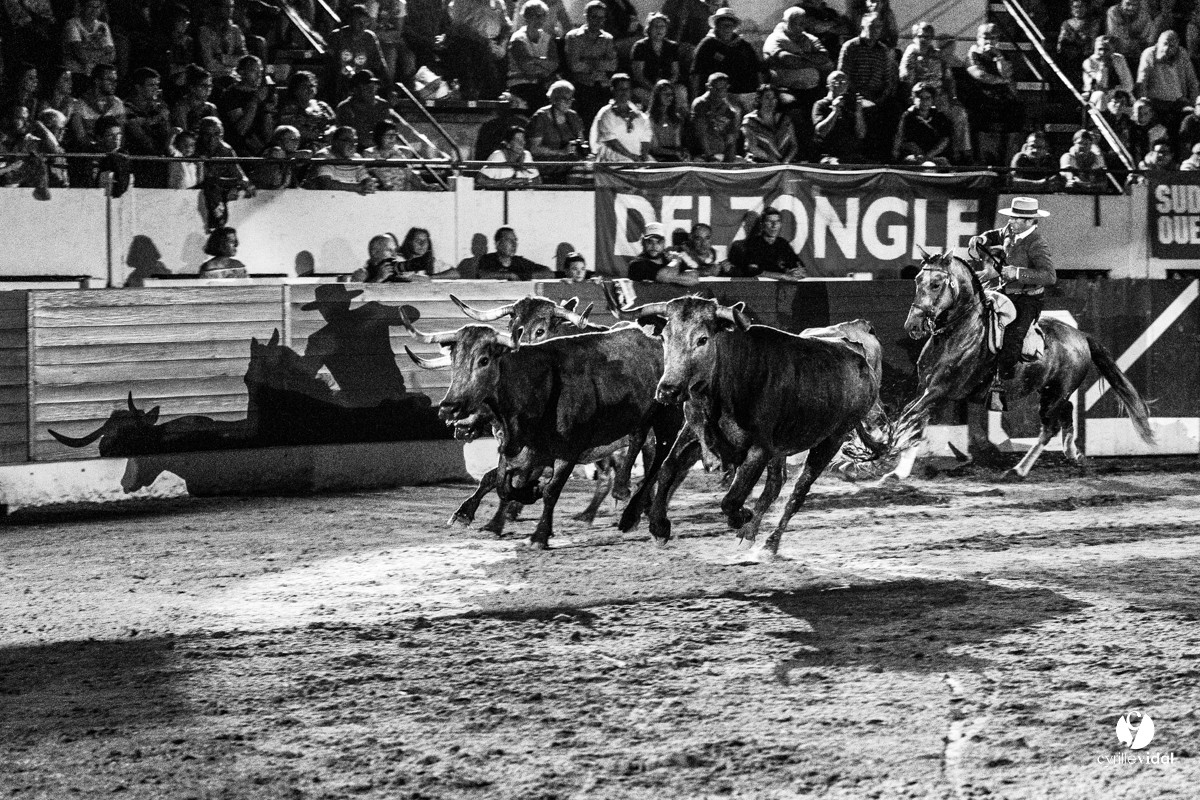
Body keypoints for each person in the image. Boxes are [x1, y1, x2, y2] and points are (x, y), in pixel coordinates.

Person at [968, 197, 1056, 411]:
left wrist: (1017, 273)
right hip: (1007, 293)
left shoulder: (1037, 243)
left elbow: (1049, 276)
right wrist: (981, 238)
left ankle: (1000, 388)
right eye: (1012, 217)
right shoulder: (1010, 230)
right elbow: (994, 234)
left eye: (1017, 218)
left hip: (1028, 299)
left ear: (1029, 221)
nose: (1011, 221)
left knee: (1012, 342)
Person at [901, 21, 971, 163]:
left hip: (940, 96)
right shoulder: (911, 54)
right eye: (921, 36)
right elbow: (905, 79)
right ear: (914, 37)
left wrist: (953, 97)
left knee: (959, 114)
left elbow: (949, 79)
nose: (924, 40)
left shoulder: (939, 56)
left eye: (928, 37)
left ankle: (961, 155)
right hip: (921, 96)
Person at [690, 7, 762, 110]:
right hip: (718, 95)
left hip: (746, 94)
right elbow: (696, 73)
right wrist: (695, 98)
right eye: (724, 26)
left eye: (730, 26)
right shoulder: (707, 45)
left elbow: (757, 70)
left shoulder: (744, 46)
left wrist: (760, 95)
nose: (728, 29)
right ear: (717, 26)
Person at [1136, 30, 1198, 147]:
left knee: (1190, 123)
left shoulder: (1182, 54)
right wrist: (1144, 103)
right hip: (1155, 103)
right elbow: (1142, 82)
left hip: (1179, 102)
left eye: (1171, 46)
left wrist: (1194, 105)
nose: (1167, 48)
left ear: (1177, 47)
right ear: (1158, 43)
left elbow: (1193, 81)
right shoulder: (1149, 54)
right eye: (1164, 44)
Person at [564, 0, 618, 123]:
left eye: (601, 18)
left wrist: (586, 60)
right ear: (586, 16)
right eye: (594, 17)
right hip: (581, 84)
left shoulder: (608, 39)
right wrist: (599, 62)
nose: (598, 21)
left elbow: (612, 65)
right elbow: (575, 66)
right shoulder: (574, 36)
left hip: (602, 84)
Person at [525, 80, 587, 182]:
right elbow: (534, 148)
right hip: (545, 161)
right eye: (564, 99)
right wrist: (561, 152)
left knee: (591, 166)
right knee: (579, 166)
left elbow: (581, 142)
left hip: (570, 160)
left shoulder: (573, 116)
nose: (568, 102)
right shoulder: (541, 117)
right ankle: (570, 194)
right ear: (554, 99)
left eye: (570, 98)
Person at [328, 4, 390, 100]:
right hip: (340, 82)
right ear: (350, 21)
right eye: (358, 21)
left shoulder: (370, 37)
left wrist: (389, 86)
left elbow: (380, 63)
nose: (362, 25)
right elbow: (330, 62)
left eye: (364, 22)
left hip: (362, 82)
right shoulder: (337, 36)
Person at [726, 206, 807, 279]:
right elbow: (753, 271)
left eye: (777, 221)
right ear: (762, 224)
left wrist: (798, 272)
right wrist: (782, 276)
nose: (774, 225)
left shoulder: (783, 243)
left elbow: (800, 267)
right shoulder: (754, 243)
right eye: (770, 221)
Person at [508, 0, 560, 113]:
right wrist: (544, 65)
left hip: (541, 84)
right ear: (526, 17)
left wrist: (534, 60)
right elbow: (526, 67)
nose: (539, 19)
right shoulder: (518, 39)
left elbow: (554, 64)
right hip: (520, 83)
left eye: (542, 16)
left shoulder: (548, 38)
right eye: (535, 15)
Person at [591, 72, 650, 162]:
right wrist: (631, 157)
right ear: (613, 90)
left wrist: (644, 157)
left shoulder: (640, 116)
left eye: (627, 89)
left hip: (636, 159)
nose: (624, 92)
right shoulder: (606, 114)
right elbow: (611, 142)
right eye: (620, 89)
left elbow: (645, 138)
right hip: (612, 160)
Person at [812, 70, 866, 163]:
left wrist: (858, 113)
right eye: (836, 80)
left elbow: (861, 134)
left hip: (849, 154)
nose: (841, 83)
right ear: (828, 85)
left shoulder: (851, 106)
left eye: (844, 81)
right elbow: (821, 132)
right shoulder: (820, 105)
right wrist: (835, 111)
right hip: (827, 155)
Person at [893, 81, 952, 167]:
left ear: (932, 100)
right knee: (927, 165)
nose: (924, 101)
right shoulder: (908, 116)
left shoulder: (939, 116)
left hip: (934, 155)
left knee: (944, 163)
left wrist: (929, 156)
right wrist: (923, 157)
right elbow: (906, 141)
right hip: (914, 157)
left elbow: (945, 140)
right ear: (913, 99)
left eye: (928, 98)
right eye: (920, 97)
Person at [630, 12, 681, 109]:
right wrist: (656, 89)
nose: (659, 29)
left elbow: (675, 72)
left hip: (668, 86)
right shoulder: (640, 46)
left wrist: (666, 87)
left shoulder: (672, 46)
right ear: (649, 29)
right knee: (644, 96)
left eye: (662, 26)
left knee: (681, 91)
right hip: (646, 87)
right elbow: (639, 75)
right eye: (655, 26)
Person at [277, 70, 336, 152]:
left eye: (312, 86)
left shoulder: (322, 105)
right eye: (305, 86)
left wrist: (330, 132)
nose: (310, 89)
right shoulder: (288, 108)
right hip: (302, 149)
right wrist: (321, 136)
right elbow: (293, 129)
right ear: (295, 89)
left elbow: (334, 124)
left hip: (327, 146)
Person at [308, 125, 377, 193]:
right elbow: (326, 184)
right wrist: (358, 187)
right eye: (347, 140)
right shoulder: (323, 156)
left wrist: (369, 183)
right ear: (334, 142)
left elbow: (364, 178)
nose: (352, 144)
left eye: (355, 141)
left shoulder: (356, 158)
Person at [689, 71, 741, 162]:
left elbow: (731, 139)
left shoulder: (729, 110)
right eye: (717, 88)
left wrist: (729, 162)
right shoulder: (700, 104)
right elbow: (701, 134)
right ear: (708, 87)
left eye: (724, 88)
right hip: (702, 155)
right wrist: (710, 157)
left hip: (722, 155)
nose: (720, 92)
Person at [741, 83, 799, 163]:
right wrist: (773, 161)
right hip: (758, 163)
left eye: (774, 98)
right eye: (767, 98)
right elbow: (752, 147)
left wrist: (786, 161)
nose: (771, 101)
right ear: (760, 99)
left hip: (785, 163)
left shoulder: (785, 119)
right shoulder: (750, 120)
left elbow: (794, 145)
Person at [364, 118, 426, 191]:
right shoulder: (369, 153)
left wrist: (425, 186)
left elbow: (410, 175)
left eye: (394, 134)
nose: (392, 138)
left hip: (401, 195)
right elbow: (370, 176)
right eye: (388, 135)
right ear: (379, 136)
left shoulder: (400, 152)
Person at [62, 0, 117, 82]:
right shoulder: (72, 24)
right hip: (76, 72)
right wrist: (102, 52)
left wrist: (91, 59)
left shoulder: (103, 26)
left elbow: (112, 55)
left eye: (97, 7)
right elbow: (81, 54)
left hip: (96, 74)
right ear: (82, 7)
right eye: (90, 6)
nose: (94, 11)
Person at [477, 226, 555, 280]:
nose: (514, 244)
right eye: (509, 240)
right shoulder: (487, 259)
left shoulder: (520, 262)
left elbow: (548, 273)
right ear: (498, 244)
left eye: (515, 240)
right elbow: (483, 275)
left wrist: (525, 276)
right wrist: (509, 276)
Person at [197, 0, 249, 80]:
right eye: (226, 7)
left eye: (231, 6)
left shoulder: (235, 30)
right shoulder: (205, 31)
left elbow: (244, 59)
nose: (229, 10)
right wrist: (230, 69)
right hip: (213, 77)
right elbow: (209, 63)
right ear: (217, 9)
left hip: (234, 76)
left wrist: (223, 58)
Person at [1082, 35, 1134, 109]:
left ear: (1112, 49)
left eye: (1106, 49)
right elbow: (1101, 85)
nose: (1102, 52)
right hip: (1097, 97)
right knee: (1101, 95)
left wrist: (1113, 92)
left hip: (1117, 94)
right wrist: (1103, 67)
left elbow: (1129, 85)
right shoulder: (1088, 62)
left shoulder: (1119, 59)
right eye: (1100, 49)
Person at [1057, 0, 1101, 84]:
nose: (1078, 9)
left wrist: (1076, 39)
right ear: (1071, 9)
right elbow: (1062, 41)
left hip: (1086, 56)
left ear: (1086, 8)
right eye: (1075, 7)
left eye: (1081, 7)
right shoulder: (1066, 23)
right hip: (1069, 58)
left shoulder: (1093, 22)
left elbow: (1091, 40)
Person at [647, 80, 687, 161]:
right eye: (665, 94)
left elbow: (677, 144)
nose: (669, 97)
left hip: (673, 154)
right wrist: (674, 153)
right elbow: (654, 148)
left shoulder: (676, 118)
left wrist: (682, 153)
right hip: (656, 157)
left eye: (671, 94)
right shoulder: (649, 118)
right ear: (657, 96)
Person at [1106, 0, 1154, 66]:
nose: (1131, 8)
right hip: (1116, 55)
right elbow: (1118, 35)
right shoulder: (1113, 11)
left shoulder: (1144, 15)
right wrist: (1136, 38)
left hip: (1137, 56)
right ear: (1121, 2)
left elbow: (1146, 37)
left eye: (1135, 5)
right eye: (1128, 4)